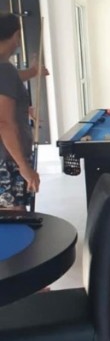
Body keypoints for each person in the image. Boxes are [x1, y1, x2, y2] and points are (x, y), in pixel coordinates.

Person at [0, 12, 41, 208]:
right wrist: (23, 166)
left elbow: (12, 81)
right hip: (8, 160)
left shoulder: (6, 70)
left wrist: (22, 110)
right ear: (16, 36)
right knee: (16, 218)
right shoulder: (4, 70)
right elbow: (4, 123)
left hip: (6, 157)